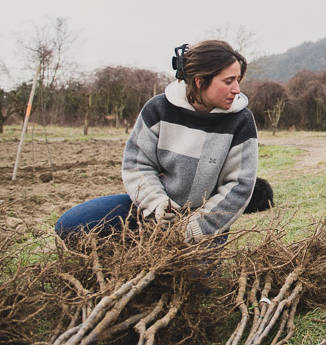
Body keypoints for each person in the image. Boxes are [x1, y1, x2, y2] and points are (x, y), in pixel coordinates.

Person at [55, 40, 261, 243]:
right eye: (228, 81)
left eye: (237, 81)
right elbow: (137, 165)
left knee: (186, 275)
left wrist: (191, 229)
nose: (236, 89)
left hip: (205, 221)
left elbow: (238, 186)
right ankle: (137, 247)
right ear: (199, 81)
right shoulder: (159, 109)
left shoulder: (240, 120)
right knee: (70, 225)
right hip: (153, 211)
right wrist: (158, 206)